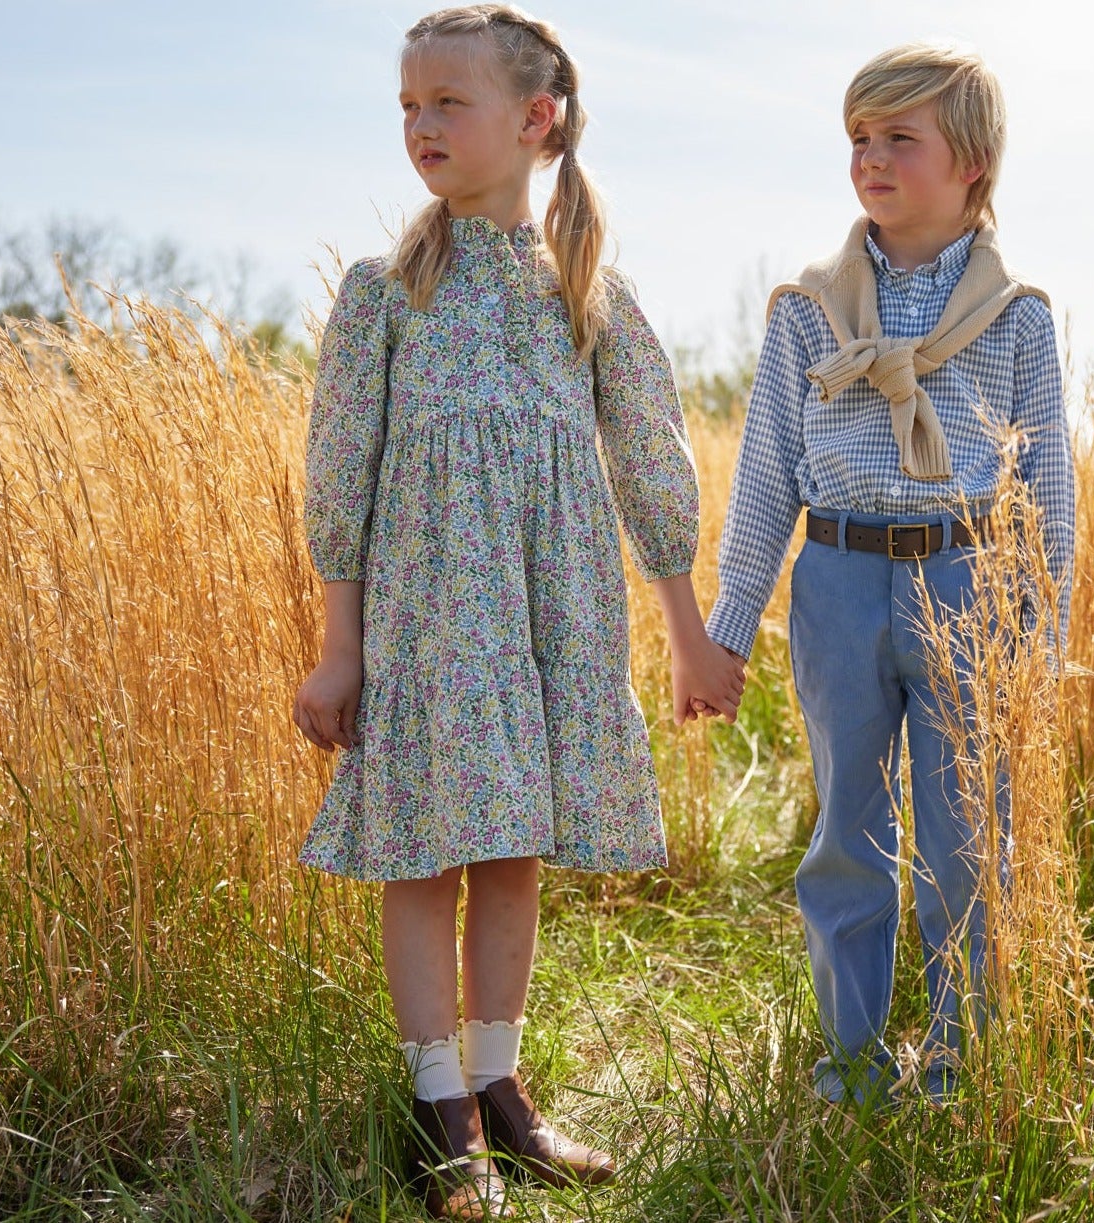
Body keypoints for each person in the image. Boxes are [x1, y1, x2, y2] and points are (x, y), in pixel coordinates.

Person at [291, 6, 744, 1216]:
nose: (421, 126)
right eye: (407, 107)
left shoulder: (589, 291)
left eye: (449, 103)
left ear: (535, 121)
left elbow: (651, 466)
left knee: (511, 852)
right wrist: (338, 654)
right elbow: (338, 483)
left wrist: (686, 630)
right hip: (429, 619)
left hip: (554, 614)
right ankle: (440, 1116)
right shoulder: (385, 291)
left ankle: (503, 1093)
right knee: (424, 851)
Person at [707, 42, 1075, 1109]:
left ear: (970, 164)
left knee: (968, 837)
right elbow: (768, 471)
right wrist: (731, 623)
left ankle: (962, 1060)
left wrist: (1040, 636)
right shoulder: (807, 310)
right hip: (837, 580)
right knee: (845, 832)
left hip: (969, 583)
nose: (869, 157)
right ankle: (853, 1062)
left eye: (897, 138)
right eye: (858, 139)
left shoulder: (1015, 316)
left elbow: (1046, 485)